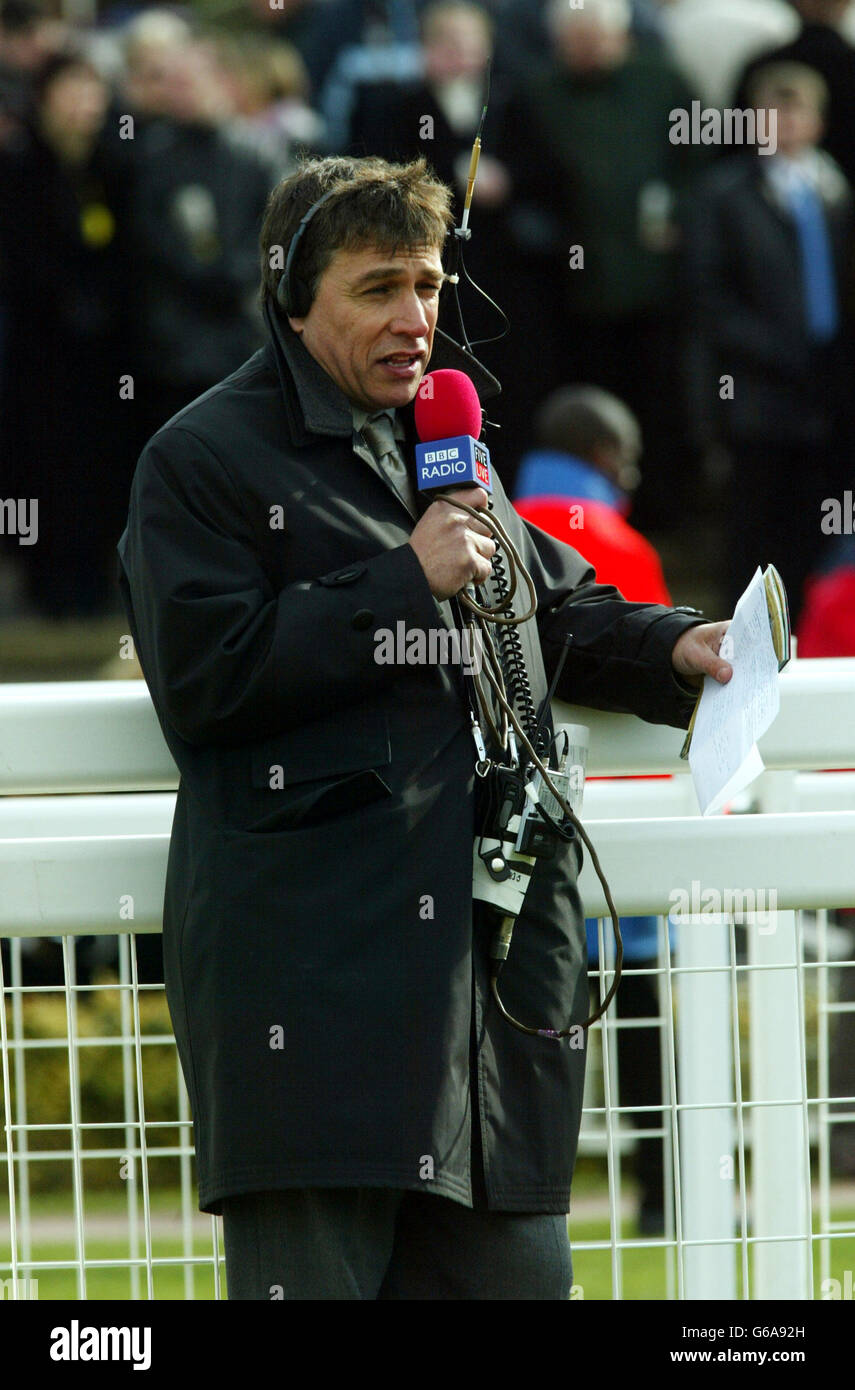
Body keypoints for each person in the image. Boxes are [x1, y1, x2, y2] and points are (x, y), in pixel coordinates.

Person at [116, 153, 732, 1300]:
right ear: (292, 293)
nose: (416, 319)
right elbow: (207, 677)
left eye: (431, 286)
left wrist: (680, 649)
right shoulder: (196, 460)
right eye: (378, 288)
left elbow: (549, 611)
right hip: (315, 1012)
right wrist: (403, 581)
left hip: (493, 1006)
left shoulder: (447, 442)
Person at [682, 61, 854, 622]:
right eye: (773, 111)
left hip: (830, 397)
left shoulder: (836, 192)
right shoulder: (725, 192)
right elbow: (707, 298)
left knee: (818, 531)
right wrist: (783, 352)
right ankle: (748, 644)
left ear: (820, 120)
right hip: (756, 396)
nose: (786, 123)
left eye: (797, 110)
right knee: (755, 533)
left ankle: (810, 640)